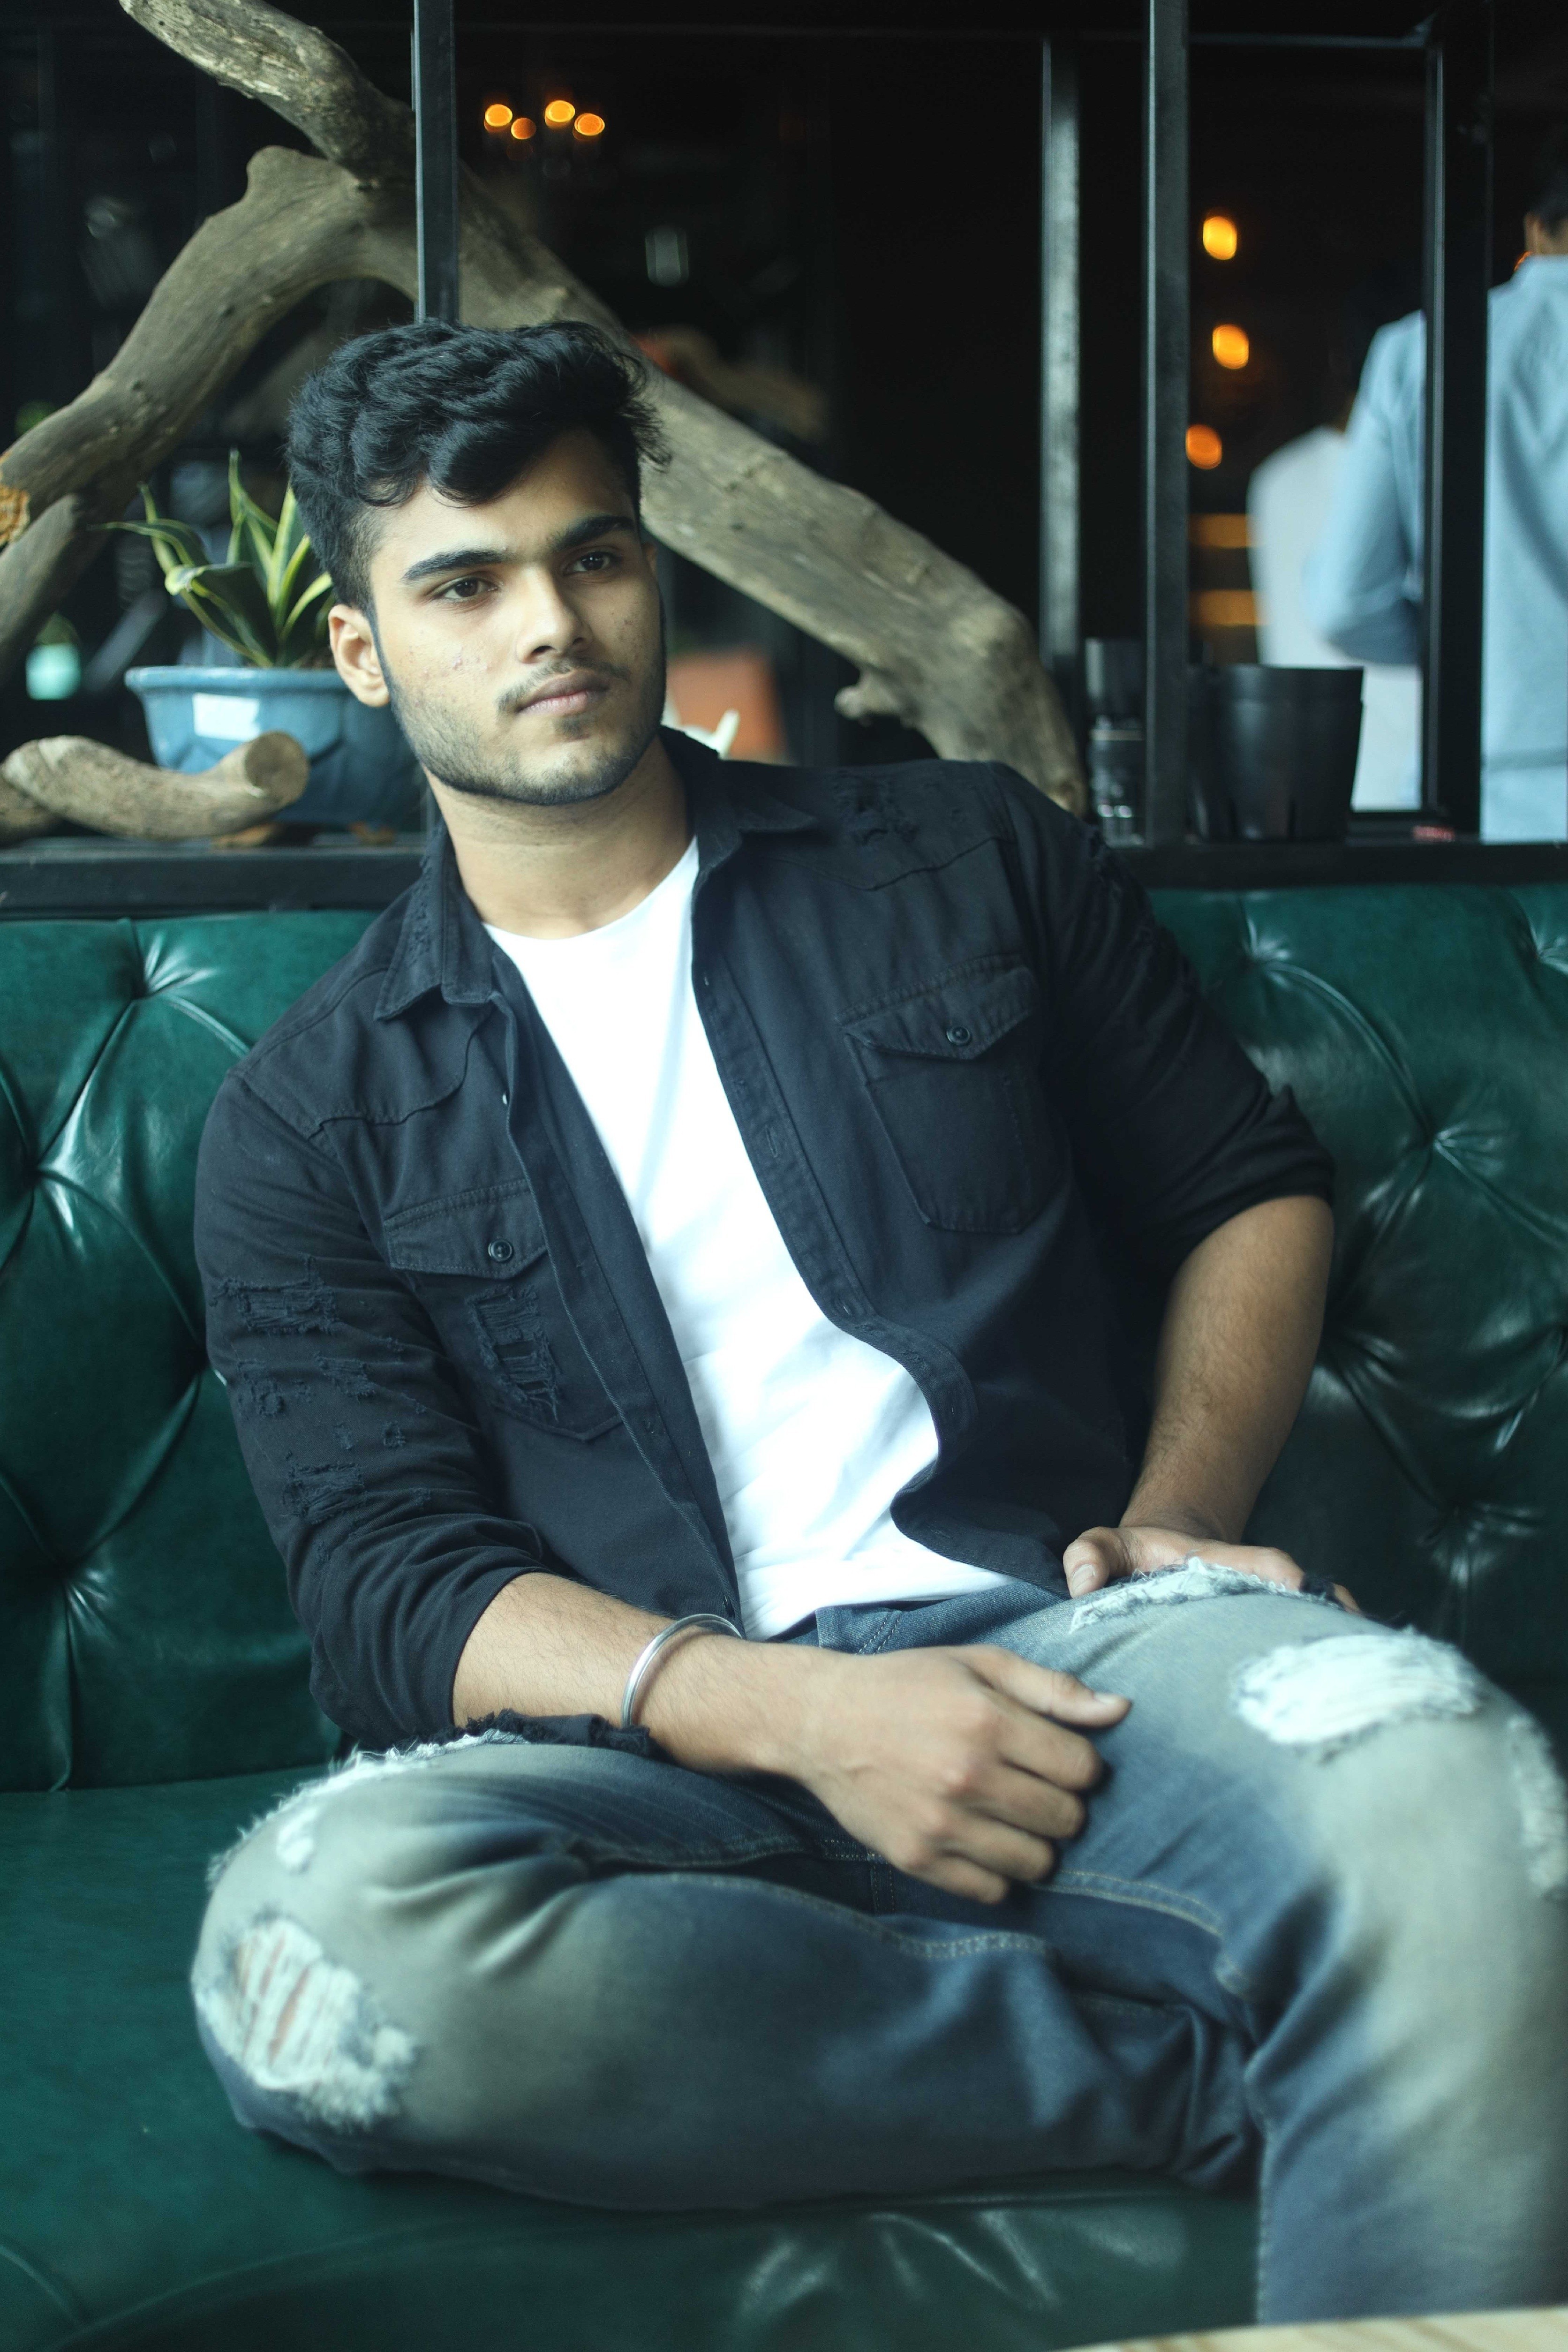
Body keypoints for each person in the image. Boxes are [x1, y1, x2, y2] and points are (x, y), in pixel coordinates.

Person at [190, 319, 1568, 2321]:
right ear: (361, 650)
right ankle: (1221, 2071)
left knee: (1451, 1789)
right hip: (655, 1760)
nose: (550, 622)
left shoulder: (964, 856)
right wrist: (808, 1717)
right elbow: (391, 1585)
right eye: (465, 584)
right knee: (314, 1955)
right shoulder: (307, 1110)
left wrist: (1179, 1519)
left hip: (1071, 1663)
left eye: (594, 555)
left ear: (651, 566)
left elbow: (1244, 1186)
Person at [1303, 126, 1568, 841]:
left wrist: (1472, 644)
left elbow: (1344, 603)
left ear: (1538, 229)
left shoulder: (1420, 352)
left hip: (1484, 791)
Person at [1247, 426, 1421, 809]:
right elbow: (1343, 609)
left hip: (1308, 789)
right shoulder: (1428, 466)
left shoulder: (1277, 478)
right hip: (1414, 791)